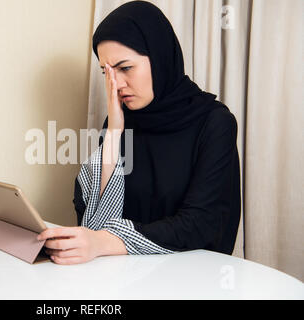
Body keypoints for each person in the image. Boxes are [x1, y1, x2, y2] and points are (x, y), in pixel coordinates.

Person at [37, 1, 241, 265]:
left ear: (159, 58)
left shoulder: (214, 123)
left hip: (191, 277)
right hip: (122, 277)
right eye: (106, 73)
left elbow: (199, 223)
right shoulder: (120, 121)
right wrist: (114, 133)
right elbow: (95, 222)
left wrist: (104, 242)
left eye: (125, 68)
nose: (116, 85)